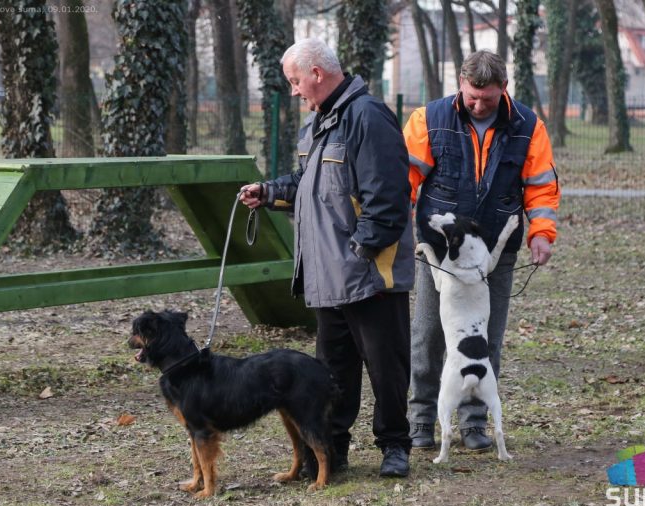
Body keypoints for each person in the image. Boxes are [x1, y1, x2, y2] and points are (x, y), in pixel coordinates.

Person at [239, 38, 414, 478]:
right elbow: (308, 181)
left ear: (317, 73)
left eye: (296, 81)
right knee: (332, 373)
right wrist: (270, 192)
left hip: (368, 274)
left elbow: (389, 197)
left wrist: (362, 250)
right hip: (324, 274)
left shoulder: (368, 116)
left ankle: (395, 446)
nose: (295, 91)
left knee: (386, 367)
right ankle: (331, 453)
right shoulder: (318, 122)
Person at [403, 50, 560, 451]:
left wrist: (542, 232)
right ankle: (420, 418)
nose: (477, 105)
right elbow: (406, 174)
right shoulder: (429, 119)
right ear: (460, 83)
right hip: (440, 253)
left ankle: (475, 423)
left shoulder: (528, 125)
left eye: (486, 99)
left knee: (487, 339)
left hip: (495, 254)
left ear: (503, 89)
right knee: (428, 336)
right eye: (471, 96)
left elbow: (540, 186)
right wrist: (401, 219)